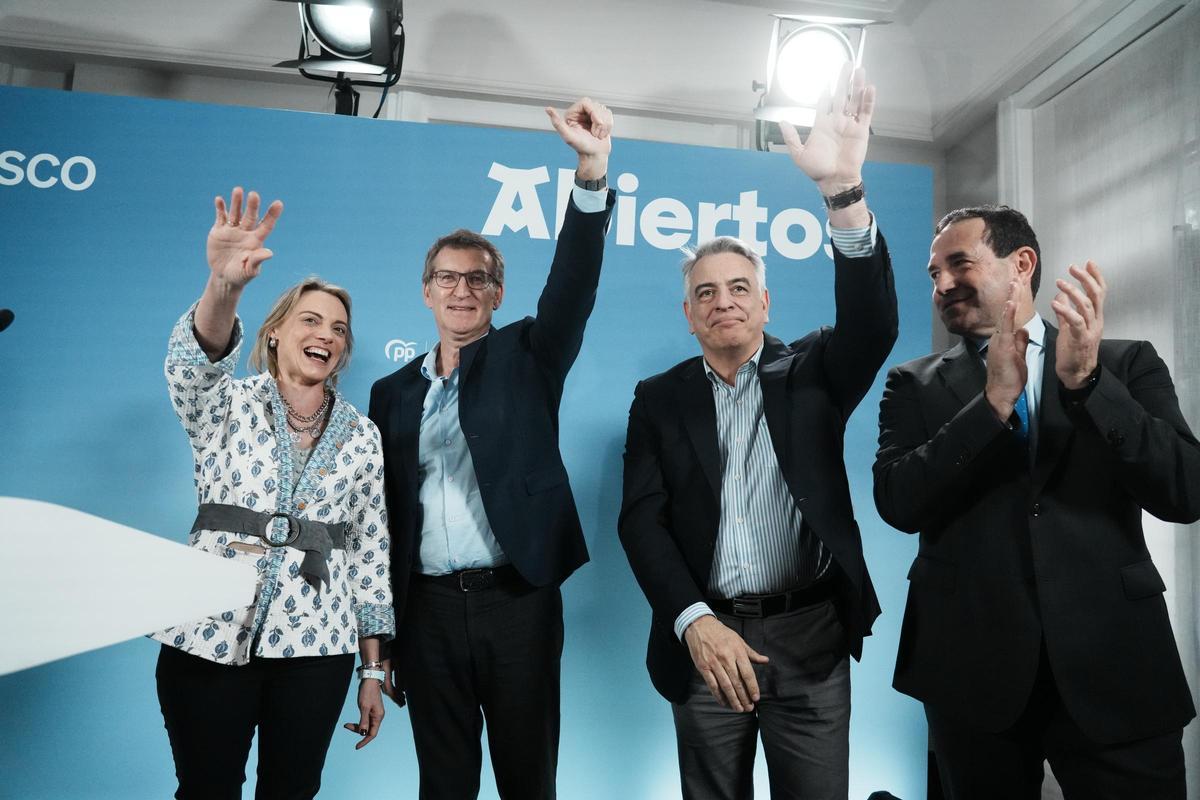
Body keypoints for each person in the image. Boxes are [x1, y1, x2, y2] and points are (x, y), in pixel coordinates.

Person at [618, 65, 897, 800]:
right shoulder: (656, 399)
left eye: (739, 287)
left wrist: (843, 193)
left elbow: (874, 325)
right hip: (708, 641)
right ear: (688, 314)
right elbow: (640, 522)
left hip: (809, 635)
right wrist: (691, 622)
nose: (722, 302)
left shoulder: (813, 372)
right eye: (704, 293)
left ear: (766, 301)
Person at [873, 204, 1200, 798]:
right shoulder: (912, 383)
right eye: (933, 274)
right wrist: (991, 407)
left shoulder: (1126, 363)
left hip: (1117, 667)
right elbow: (897, 502)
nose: (942, 285)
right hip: (970, 673)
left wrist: (1090, 386)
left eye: (959, 264)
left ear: (1020, 263)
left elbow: (1185, 491)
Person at [368, 97, 614, 799]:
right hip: (429, 614)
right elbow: (381, 519)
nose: (462, 289)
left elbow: (573, 281)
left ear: (498, 293)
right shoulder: (391, 393)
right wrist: (380, 639)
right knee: (443, 786)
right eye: (447, 277)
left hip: (517, 600)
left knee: (527, 781)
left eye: (478, 277)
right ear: (425, 292)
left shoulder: (528, 356)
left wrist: (590, 173)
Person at [153, 187, 394, 799]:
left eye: (339, 329)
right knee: (206, 789)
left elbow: (369, 556)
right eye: (311, 320)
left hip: (317, 648)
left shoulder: (363, 435)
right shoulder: (225, 403)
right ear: (276, 332)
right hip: (207, 633)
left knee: (291, 792)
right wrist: (224, 285)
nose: (327, 335)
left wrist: (371, 669)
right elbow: (193, 364)